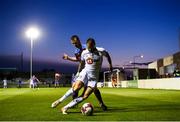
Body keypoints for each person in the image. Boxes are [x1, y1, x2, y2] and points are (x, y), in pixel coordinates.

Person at [51, 35, 108, 110]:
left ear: (78, 40)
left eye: (75, 43)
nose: (75, 45)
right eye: (73, 44)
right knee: (76, 87)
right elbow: (79, 60)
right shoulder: (77, 51)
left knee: (94, 89)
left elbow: (97, 53)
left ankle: (101, 103)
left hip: (92, 71)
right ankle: (72, 103)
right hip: (83, 70)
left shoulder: (87, 46)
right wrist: (69, 59)